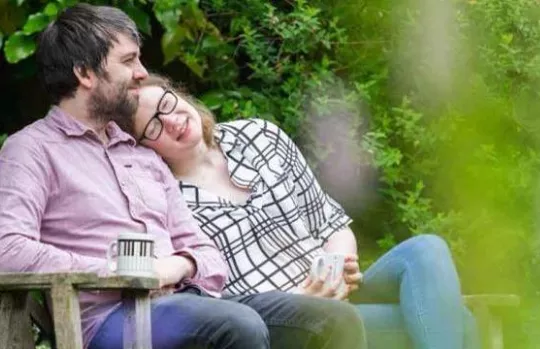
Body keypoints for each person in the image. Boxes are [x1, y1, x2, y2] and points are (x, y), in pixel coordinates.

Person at [0, 4, 367, 349]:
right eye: (129, 61)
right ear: (85, 73)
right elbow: (8, 249)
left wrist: (179, 265)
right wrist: (124, 272)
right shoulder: (31, 150)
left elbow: (206, 254)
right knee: (237, 324)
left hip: (186, 303)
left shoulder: (140, 154)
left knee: (332, 318)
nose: (142, 73)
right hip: (112, 320)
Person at [129, 73, 481, 349]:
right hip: (284, 322)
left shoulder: (258, 136)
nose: (171, 119)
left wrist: (340, 266)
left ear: (180, 95)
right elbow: (210, 301)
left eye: (166, 103)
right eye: (154, 125)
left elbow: (330, 223)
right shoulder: (167, 200)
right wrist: (300, 299)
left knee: (425, 249)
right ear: (145, 147)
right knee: (460, 323)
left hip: (340, 294)